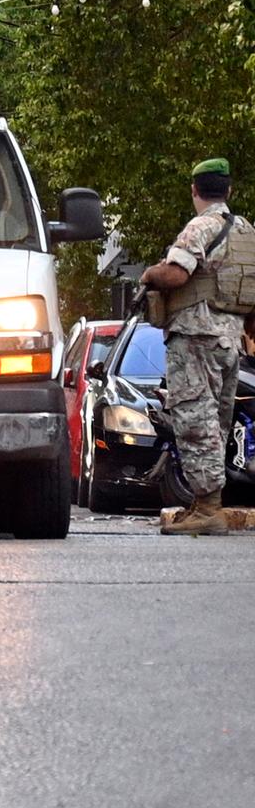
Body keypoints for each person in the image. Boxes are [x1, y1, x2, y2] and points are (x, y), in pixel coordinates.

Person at [139, 158, 255, 534]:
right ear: (229, 191)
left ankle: (208, 509)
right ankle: (204, 503)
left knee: (193, 420)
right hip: (230, 340)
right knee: (217, 422)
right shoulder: (244, 230)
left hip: (195, 337)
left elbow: (176, 274)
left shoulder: (200, 226)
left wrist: (149, 274)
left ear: (194, 190)